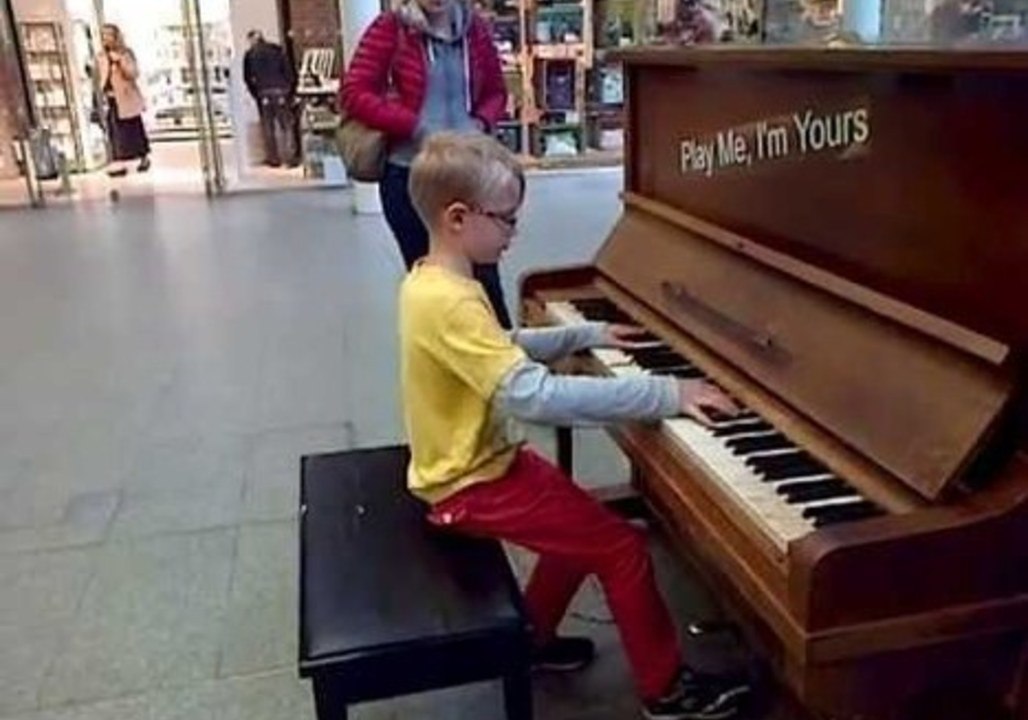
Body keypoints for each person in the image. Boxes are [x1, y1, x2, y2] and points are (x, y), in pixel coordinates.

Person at [398, 131, 752, 720]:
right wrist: (663, 392)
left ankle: (531, 641)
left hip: (477, 463)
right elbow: (533, 398)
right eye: (507, 220)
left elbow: (500, 347)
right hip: (467, 483)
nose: (515, 233)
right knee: (621, 547)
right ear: (458, 218)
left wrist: (586, 334)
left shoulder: (433, 280)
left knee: (581, 525)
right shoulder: (452, 300)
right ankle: (666, 692)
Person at [340, 0, 513, 328]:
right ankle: (447, 367)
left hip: (468, 176)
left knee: (486, 281)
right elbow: (354, 93)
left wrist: (480, 124)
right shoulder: (391, 28)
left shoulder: (474, 29)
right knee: (435, 284)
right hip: (409, 177)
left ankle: (500, 364)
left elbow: (495, 92)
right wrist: (413, 126)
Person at [97, 23, 150, 177]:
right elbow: (100, 76)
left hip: (127, 97)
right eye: (104, 35)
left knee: (133, 127)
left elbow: (133, 73)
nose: (106, 38)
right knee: (115, 130)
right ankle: (118, 162)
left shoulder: (126, 53)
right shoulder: (101, 56)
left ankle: (143, 156)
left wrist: (120, 62)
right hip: (112, 98)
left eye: (109, 35)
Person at [243, 30, 299, 168]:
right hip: (281, 91)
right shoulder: (277, 50)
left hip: (263, 94)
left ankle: (273, 159)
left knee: (268, 128)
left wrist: (255, 94)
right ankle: (290, 158)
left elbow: (247, 78)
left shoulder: (250, 55)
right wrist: (290, 91)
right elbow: (289, 71)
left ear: (251, 40)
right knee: (286, 126)